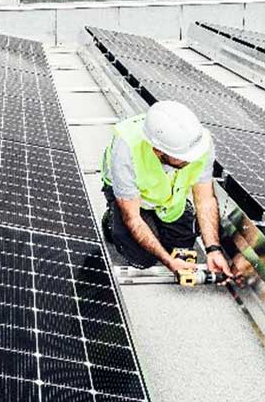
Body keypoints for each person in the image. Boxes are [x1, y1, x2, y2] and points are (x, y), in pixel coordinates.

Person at [100, 100, 236, 279]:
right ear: (157, 151)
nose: (192, 160)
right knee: (143, 259)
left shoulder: (198, 143)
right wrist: (169, 262)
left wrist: (213, 249)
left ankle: (168, 217)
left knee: (182, 248)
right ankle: (111, 219)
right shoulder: (126, 149)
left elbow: (205, 200)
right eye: (183, 158)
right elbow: (132, 218)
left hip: (168, 198)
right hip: (131, 200)